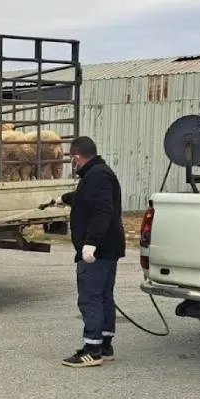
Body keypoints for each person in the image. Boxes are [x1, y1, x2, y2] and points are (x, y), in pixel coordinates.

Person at [58, 136, 126, 368]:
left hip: (98, 250)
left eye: (71, 159)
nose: (71, 163)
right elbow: (87, 199)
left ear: (76, 157)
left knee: (90, 297)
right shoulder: (98, 173)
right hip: (108, 248)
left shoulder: (97, 176)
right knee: (104, 295)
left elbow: (101, 211)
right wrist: (64, 199)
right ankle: (105, 345)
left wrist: (91, 243)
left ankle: (92, 349)